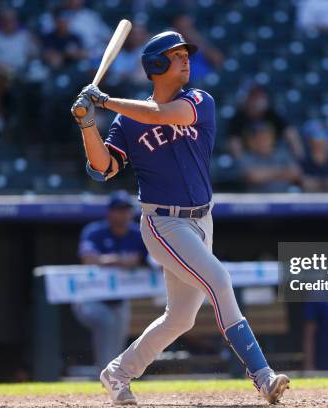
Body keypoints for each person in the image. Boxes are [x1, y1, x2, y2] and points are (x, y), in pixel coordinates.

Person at [71, 31, 290, 405]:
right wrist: (87, 123)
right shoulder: (126, 123)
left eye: (186, 53)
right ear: (156, 65)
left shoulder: (199, 101)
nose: (186, 59)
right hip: (163, 222)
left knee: (180, 318)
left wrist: (104, 101)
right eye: (176, 55)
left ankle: (117, 373)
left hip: (202, 220)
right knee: (219, 278)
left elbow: (162, 115)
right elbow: (102, 168)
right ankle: (262, 375)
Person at [72, 191, 149, 371]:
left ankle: (111, 373)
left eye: (125, 210)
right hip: (89, 296)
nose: (122, 214)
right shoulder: (94, 231)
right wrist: (122, 261)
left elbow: (149, 260)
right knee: (107, 321)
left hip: (119, 300)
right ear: (109, 212)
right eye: (118, 210)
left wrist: (109, 260)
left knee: (118, 332)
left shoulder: (136, 233)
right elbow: (88, 258)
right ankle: (105, 371)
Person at [0, 8, 39, 129]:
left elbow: (36, 54)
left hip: (22, 72)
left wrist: (35, 41)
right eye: (5, 20)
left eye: (12, 20)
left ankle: (29, 122)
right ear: (0, 22)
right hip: (1, 73)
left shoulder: (24, 36)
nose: (9, 23)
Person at [227, 84, 304, 159]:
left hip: (274, 155)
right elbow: (234, 142)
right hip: (250, 157)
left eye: (260, 97)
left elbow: (290, 132)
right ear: (246, 99)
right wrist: (242, 162)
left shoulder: (271, 114)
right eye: (254, 97)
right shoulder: (238, 118)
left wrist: (299, 156)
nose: (257, 100)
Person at [238, 122, 302, 193]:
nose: (262, 141)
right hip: (256, 201)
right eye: (258, 138)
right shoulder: (246, 156)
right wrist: (283, 172)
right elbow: (254, 177)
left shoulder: (282, 153)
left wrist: (266, 174)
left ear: (272, 139)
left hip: (283, 199)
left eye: (266, 137)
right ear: (251, 141)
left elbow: (295, 173)